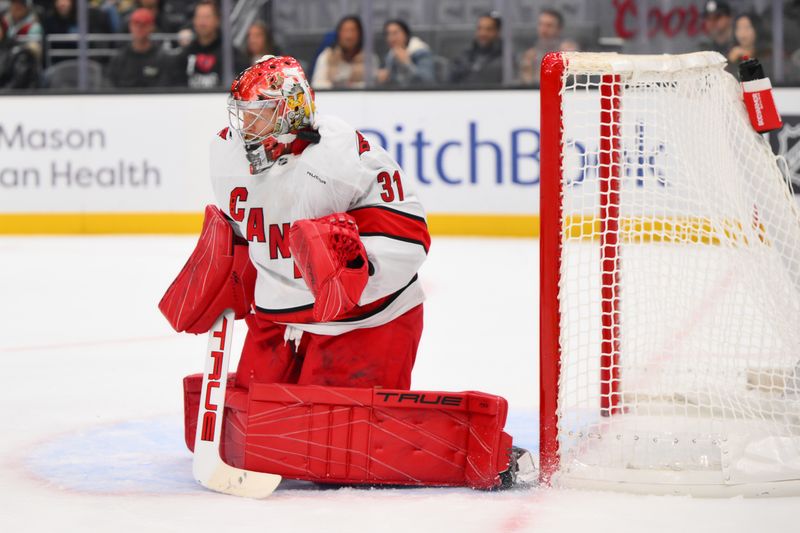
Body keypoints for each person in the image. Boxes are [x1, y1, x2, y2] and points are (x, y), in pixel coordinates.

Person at [159, 55, 534, 490]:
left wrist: (352, 270)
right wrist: (229, 269)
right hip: (278, 319)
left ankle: (488, 452)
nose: (246, 128)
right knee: (254, 439)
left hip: (365, 320)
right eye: (243, 116)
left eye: (258, 115)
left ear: (290, 111)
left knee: (335, 461)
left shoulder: (339, 159)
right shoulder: (224, 153)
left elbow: (411, 237)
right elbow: (243, 229)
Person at [168, 0, 248, 89]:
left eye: (207, 17)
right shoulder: (184, 56)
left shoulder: (231, 56)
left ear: (217, 20)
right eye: (199, 17)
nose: (202, 23)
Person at [311, 15, 377, 89]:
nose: (348, 36)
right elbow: (317, 84)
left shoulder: (369, 58)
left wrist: (351, 86)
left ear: (360, 34)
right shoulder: (327, 56)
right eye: (345, 31)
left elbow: (373, 85)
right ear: (338, 34)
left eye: (353, 31)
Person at [106, 7, 167, 87]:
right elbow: (111, 86)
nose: (139, 29)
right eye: (136, 24)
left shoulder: (162, 58)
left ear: (151, 27)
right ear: (130, 26)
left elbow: (166, 89)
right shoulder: (119, 59)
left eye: (144, 25)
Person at [518, 8, 578, 85]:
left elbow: (576, 81)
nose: (544, 29)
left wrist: (569, 61)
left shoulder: (568, 50)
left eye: (549, 25)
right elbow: (524, 83)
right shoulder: (530, 54)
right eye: (541, 24)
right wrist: (528, 67)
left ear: (559, 29)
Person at [376, 19, 435, 87]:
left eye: (395, 33)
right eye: (388, 34)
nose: (391, 38)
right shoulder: (390, 56)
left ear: (406, 34)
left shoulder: (422, 53)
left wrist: (407, 63)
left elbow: (427, 80)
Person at [449, 11, 503, 85]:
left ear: (497, 32)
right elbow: (451, 83)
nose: (483, 33)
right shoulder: (464, 57)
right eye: (480, 28)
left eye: (489, 29)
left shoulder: (505, 59)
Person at [0, 16, 39, 89]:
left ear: (3, 29)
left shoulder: (18, 51)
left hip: (16, 97)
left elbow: (19, 81)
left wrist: (3, 94)